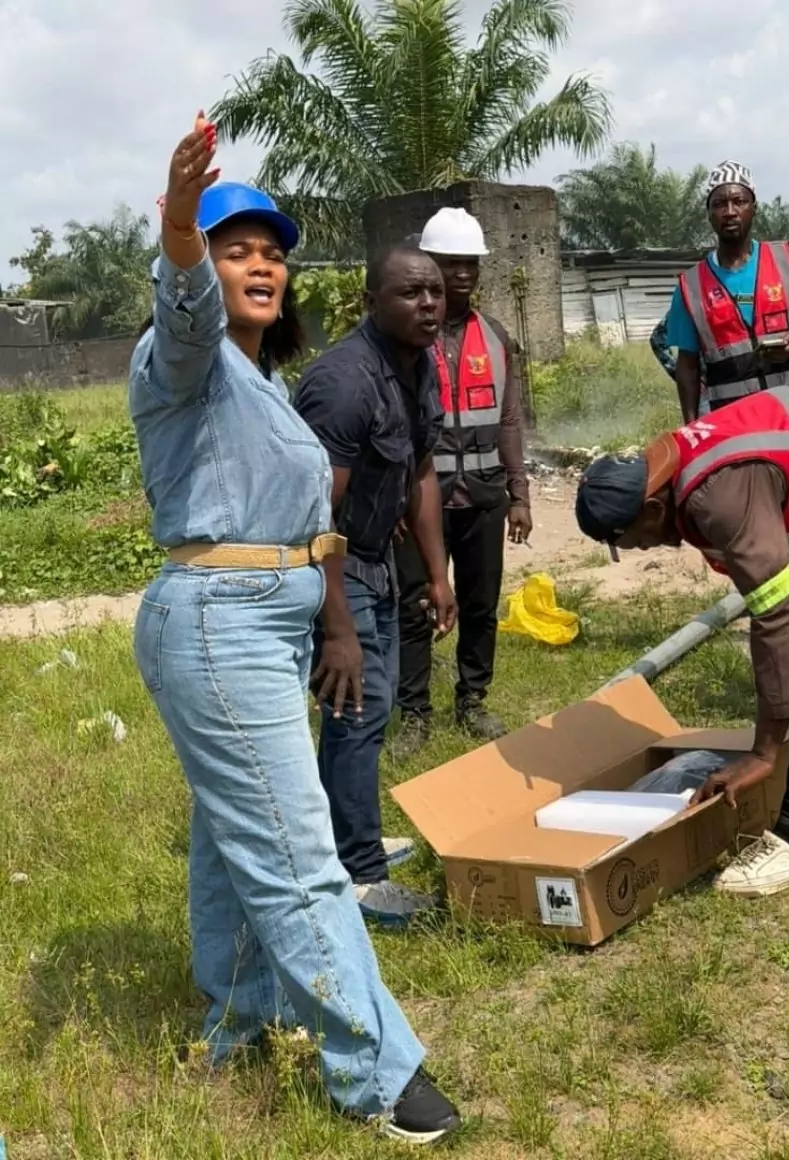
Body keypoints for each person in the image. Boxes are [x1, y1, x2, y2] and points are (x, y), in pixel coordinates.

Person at [129, 116, 460, 1144]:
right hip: (219, 621)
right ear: (201, 262)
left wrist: (330, 624)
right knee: (298, 848)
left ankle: (237, 1022)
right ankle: (379, 1069)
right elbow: (182, 305)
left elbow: (312, 524)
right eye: (239, 250)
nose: (261, 265)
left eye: (273, 252)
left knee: (234, 846)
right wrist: (185, 218)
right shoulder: (179, 360)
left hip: (261, 623)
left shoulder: (262, 383)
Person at [575, 375, 789, 899]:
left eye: (636, 542)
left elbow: (779, 616)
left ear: (652, 509)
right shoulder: (672, 463)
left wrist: (762, 753)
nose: (646, 549)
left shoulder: (716, 499)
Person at [294, 244, 457, 926]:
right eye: (410, 293)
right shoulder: (344, 384)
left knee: (372, 708)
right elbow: (309, 517)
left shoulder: (420, 367)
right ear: (371, 302)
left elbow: (419, 472)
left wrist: (437, 573)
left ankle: (350, 838)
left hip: (376, 560)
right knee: (356, 711)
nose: (428, 304)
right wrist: (336, 627)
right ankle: (357, 876)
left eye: (435, 292)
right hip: (334, 563)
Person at [393, 208, 532, 755]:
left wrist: (519, 495)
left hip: (483, 497)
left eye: (471, 264)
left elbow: (510, 420)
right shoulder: (404, 340)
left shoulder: (495, 338)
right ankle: (414, 712)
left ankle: (472, 699)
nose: (464, 275)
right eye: (452, 264)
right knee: (414, 605)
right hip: (417, 502)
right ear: (429, 265)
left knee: (480, 603)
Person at [667, 160, 789, 421]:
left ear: (754, 209)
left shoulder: (788, 260)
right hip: (734, 423)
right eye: (719, 204)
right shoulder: (691, 286)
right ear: (708, 214)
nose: (730, 211)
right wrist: (691, 427)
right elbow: (687, 364)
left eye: (738, 201)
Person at [649, 309, 710, 415]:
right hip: (707, 394)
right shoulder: (690, 300)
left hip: (742, 389)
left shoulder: (744, 297)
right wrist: (684, 378)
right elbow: (657, 339)